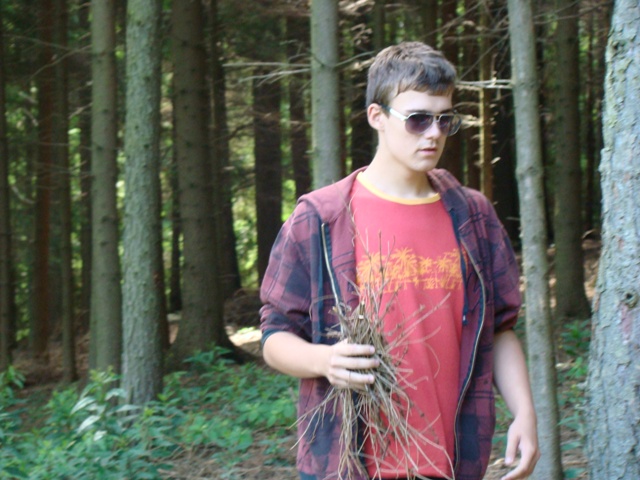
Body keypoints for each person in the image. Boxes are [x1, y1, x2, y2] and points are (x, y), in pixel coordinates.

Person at [260, 41, 540, 480]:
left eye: (445, 119)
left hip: (452, 463)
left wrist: (524, 412)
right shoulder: (322, 218)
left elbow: (499, 329)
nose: (434, 133)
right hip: (349, 465)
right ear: (377, 116)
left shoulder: (472, 216)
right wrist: (323, 360)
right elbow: (275, 335)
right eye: (418, 119)